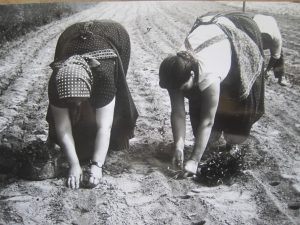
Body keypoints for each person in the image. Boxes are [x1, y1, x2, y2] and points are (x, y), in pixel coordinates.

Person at [159, 12, 265, 176]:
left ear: (192, 76)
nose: (179, 93)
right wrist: (179, 146)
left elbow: (207, 121)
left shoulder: (209, 74)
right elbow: (178, 113)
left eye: (182, 88)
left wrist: (194, 160)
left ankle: (232, 142)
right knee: (210, 139)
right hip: (208, 34)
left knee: (234, 137)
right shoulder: (176, 70)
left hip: (235, 42)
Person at [46, 20, 138, 189]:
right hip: (70, 35)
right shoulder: (55, 84)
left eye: (80, 100)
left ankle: (115, 138)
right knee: (72, 122)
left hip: (113, 35)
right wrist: (74, 165)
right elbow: (62, 127)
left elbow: (105, 126)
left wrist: (97, 166)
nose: (77, 105)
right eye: (70, 102)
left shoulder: (105, 77)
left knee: (107, 112)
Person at [252, 14, 288, 86]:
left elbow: (275, 56)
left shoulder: (277, 39)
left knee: (279, 52)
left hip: (271, 21)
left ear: (270, 45)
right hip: (257, 19)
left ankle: (281, 76)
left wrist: (267, 70)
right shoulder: (253, 33)